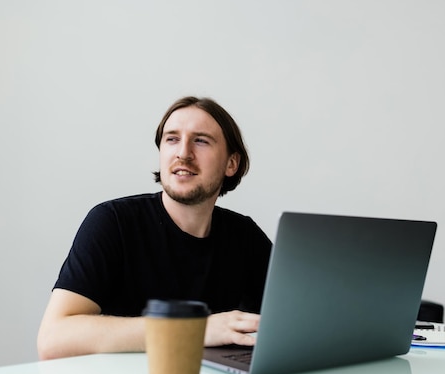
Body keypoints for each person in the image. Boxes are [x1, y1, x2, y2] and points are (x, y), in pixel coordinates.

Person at [37, 96, 272, 360]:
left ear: (231, 163)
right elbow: (53, 338)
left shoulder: (245, 237)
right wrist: (193, 330)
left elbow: (293, 322)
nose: (183, 152)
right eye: (172, 139)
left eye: (201, 140)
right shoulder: (111, 222)